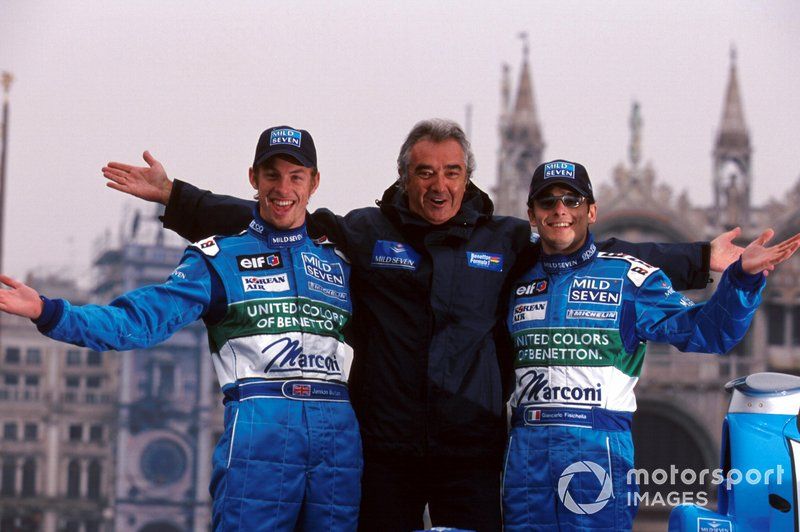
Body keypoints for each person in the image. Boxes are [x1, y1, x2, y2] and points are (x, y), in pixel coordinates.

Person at [102, 119, 746, 531]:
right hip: (386, 451)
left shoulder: (505, 239)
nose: (439, 186)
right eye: (425, 172)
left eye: (452, 173)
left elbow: (587, 253)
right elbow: (277, 216)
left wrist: (698, 259)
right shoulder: (364, 232)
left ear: (468, 179)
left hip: (472, 451)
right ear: (405, 176)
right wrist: (177, 198)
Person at [0, 126, 363, 532]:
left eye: (296, 176)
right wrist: (49, 312)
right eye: (272, 175)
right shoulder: (218, 259)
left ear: (314, 183)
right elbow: (138, 320)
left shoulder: (340, 264)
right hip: (261, 437)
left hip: (337, 442)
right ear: (253, 178)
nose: (283, 188)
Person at [502, 159, 800, 531]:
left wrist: (742, 279)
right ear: (532, 214)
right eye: (547, 202)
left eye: (572, 200)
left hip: (596, 452)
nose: (560, 210)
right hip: (525, 459)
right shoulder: (513, 281)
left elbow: (708, 332)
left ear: (591, 211)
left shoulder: (628, 277)